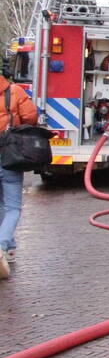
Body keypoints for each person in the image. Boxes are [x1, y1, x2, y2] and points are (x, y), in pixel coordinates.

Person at [0, 58, 39, 280]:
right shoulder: (14, 92)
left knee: (1, 204)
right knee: (13, 207)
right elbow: (31, 117)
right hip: (9, 156)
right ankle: (2, 245)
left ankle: (10, 247)